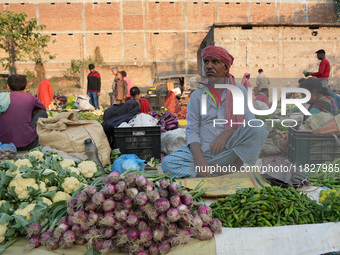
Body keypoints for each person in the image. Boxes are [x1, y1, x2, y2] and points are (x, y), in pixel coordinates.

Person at [161, 46, 269, 178]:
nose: (209, 66)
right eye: (206, 62)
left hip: (231, 152)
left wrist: (227, 133)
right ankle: (220, 172)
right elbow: (192, 131)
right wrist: (199, 158)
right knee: (167, 164)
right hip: (204, 152)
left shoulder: (239, 91)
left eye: (215, 62)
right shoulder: (198, 95)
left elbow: (251, 124)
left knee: (260, 128)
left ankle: (234, 169)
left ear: (225, 68)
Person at [0, 74, 47, 151]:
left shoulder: (2, 99)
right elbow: (43, 109)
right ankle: (35, 140)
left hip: (4, 145)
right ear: (26, 86)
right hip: (27, 144)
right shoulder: (30, 98)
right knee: (43, 113)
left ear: (8, 86)